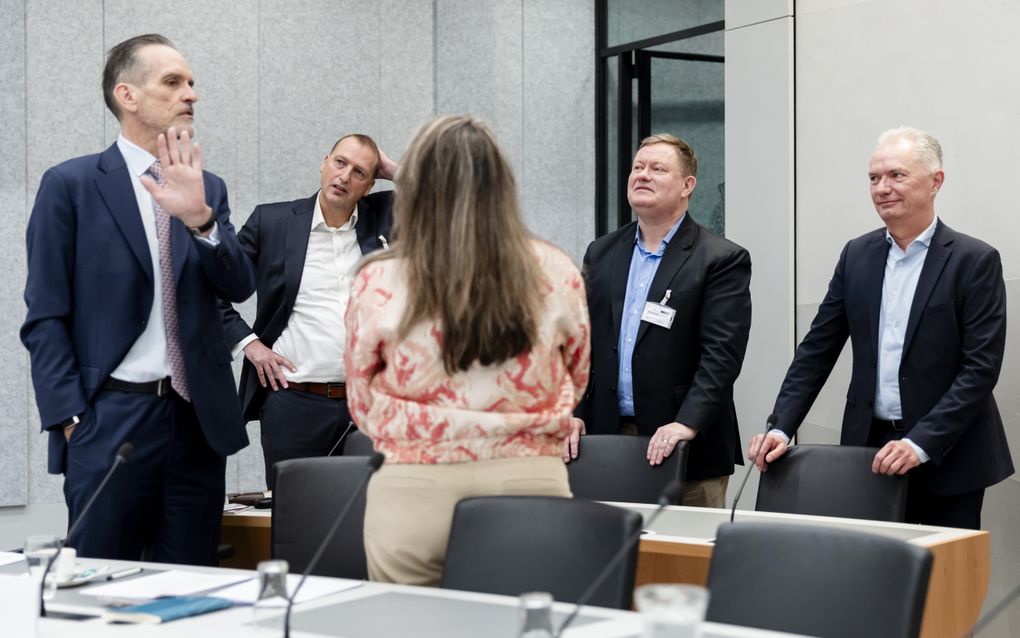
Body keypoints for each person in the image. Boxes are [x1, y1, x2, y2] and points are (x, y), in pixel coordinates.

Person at [21, 34, 256, 564]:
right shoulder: (71, 185)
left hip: (196, 422)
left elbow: (240, 287)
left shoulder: (207, 188)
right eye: (173, 82)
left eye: (192, 83)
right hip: (110, 421)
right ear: (127, 95)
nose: (190, 94)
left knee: (190, 585)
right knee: (102, 582)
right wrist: (71, 419)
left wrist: (201, 220)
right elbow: (45, 317)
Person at [344, 115, 590, 585]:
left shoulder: (378, 276)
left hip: (414, 487)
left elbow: (361, 400)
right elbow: (575, 377)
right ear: (504, 186)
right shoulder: (557, 269)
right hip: (530, 481)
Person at [749, 127, 1014, 529]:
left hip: (948, 455)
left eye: (897, 175)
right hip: (868, 451)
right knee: (871, 577)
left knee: (942, 583)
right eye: (874, 178)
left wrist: (920, 442)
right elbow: (817, 350)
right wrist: (782, 425)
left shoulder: (973, 261)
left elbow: (980, 369)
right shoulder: (857, 255)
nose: (882, 188)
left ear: (935, 181)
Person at [575, 133, 751, 508]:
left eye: (657, 169)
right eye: (638, 167)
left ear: (687, 185)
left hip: (686, 443)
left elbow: (721, 356)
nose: (643, 175)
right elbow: (581, 345)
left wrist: (687, 423)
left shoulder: (720, 259)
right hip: (608, 440)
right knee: (611, 557)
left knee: (685, 562)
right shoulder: (601, 252)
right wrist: (574, 413)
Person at [220, 135, 397, 489]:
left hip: (368, 404)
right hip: (295, 403)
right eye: (340, 163)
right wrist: (249, 345)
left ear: (369, 186)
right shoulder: (272, 221)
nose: (345, 176)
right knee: (295, 521)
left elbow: (449, 195)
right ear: (324, 162)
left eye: (360, 172)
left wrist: (393, 170)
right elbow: (213, 288)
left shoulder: (385, 215)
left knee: (367, 517)